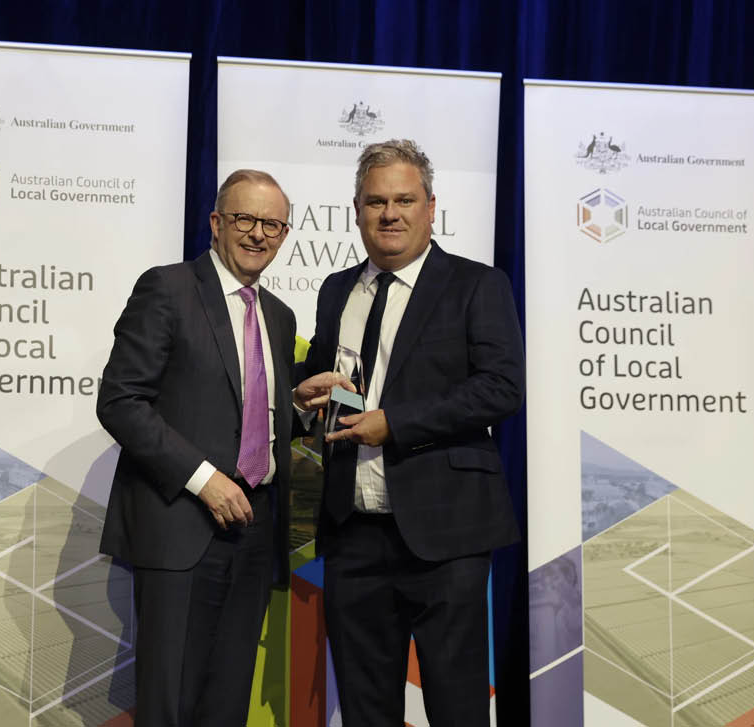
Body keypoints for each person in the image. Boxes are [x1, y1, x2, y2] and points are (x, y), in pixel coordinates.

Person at [297, 139, 525, 726]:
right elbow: (337, 387)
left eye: (404, 200)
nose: (389, 213)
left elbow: (501, 389)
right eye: (375, 201)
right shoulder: (335, 290)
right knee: (366, 709)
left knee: (457, 706)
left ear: (430, 207)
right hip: (354, 534)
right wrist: (305, 399)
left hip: (446, 534)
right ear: (356, 210)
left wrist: (393, 423)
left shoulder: (477, 284)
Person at [96, 169, 302, 726]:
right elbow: (120, 400)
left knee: (227, 706)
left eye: (273, 224)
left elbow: (250, 411)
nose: (258, 234)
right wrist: (202, 478)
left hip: (255, 533)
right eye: (245, 219)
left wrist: (301, 405)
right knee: (171, 705)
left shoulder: (279, 318)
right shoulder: (167, 288)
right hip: (182, 529)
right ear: (216, 223)